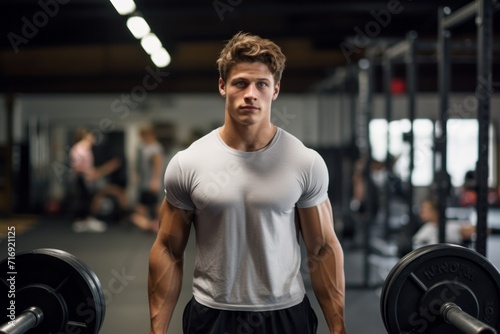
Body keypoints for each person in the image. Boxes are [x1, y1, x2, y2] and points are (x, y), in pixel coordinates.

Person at [148, 32, 346, 334]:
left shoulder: (304, 161)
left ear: (275, 90)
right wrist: (157, 330)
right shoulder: (188, 162)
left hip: (285, 313)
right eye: (240, 82)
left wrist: (338, 326)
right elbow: (168, 249)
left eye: (261, 84)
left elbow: (322, 250)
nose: (250, 93)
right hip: (213, 315)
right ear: (222, 86)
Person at [70, 128, 121, 233]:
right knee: (85, 200)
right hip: (81, 179)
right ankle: (82, 221)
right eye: (91, 136)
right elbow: (76, 166)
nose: (93, 138)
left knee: (92, 198)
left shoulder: (86, 149)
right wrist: (89, 171)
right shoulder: (79, 149)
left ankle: (88, 220)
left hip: (88, 179)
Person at [130, 125, 164, 232]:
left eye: (143, 136)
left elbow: (157, 165)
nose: (142, 138)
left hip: (150, 182)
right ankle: (150, 224)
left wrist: (155, 181)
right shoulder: (143, 147)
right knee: (142, 206)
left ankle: (161, 225)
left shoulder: (155, 148)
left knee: (155, 205)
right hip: (144, 182)